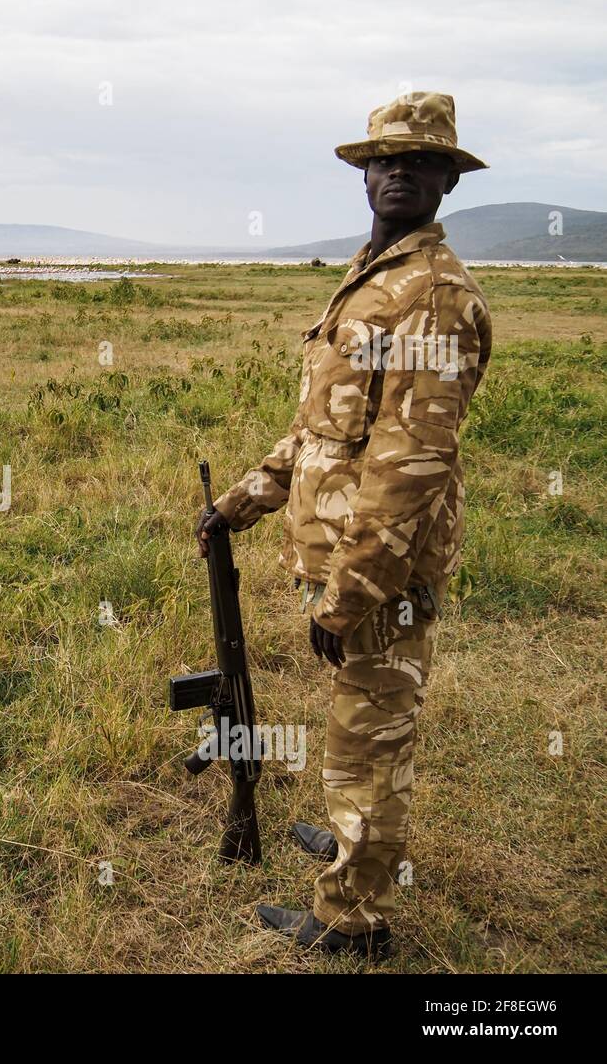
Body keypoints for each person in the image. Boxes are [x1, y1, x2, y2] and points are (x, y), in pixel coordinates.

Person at [196, 91, 492, 957]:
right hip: (341, 562)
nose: (396, 170)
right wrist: (241, 501)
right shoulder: (375, 275)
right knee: (355, 722)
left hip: (380, 573)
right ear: (365, 175)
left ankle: (351, 918)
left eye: (418, 159)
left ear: (447, 178)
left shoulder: (433, 297)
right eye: (382, 159)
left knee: (374, 735)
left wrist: (349, 593)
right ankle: (353, 847)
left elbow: (410, 467)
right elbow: (321, 431)